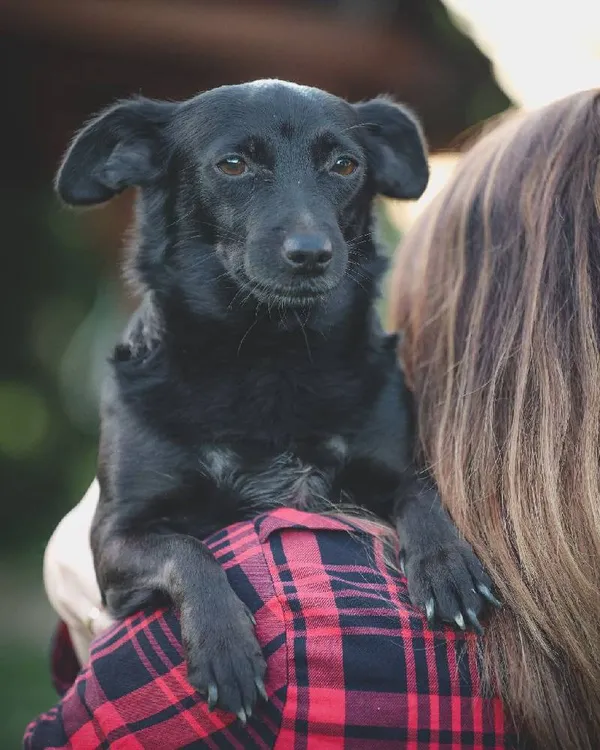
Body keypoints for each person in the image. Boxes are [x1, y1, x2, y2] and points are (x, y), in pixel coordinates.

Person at [25, 88, 600, 749]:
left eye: (341, 166)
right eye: (237, 166)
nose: (307, 234)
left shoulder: (293, 626)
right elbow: (132, 535)